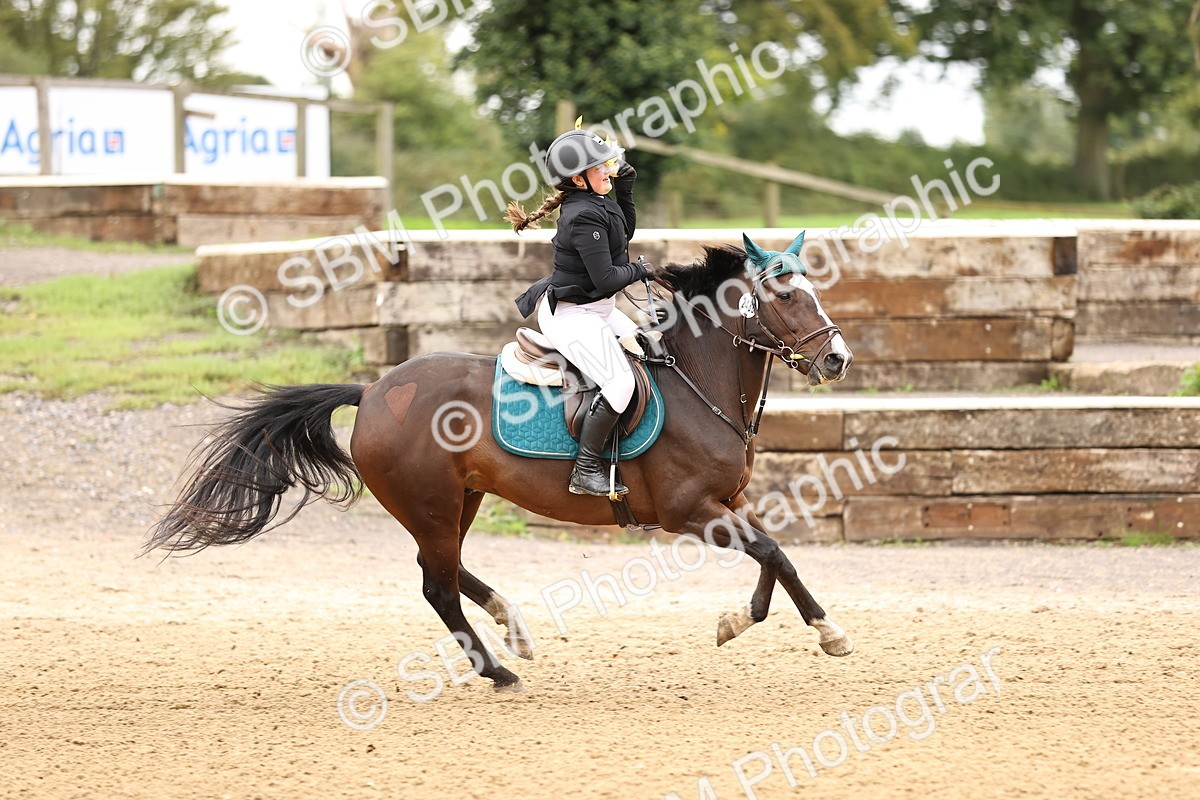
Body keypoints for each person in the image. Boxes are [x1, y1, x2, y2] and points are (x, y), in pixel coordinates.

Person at [508, 128, 650, 497]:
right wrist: (641, 270)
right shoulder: (582, 215)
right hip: (572, 316)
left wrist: (625, 190)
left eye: (607, 163)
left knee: (652, 345)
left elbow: (623, 233)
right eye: (600, 166)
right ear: (577, 179)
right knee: (620, 383)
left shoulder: (597, 202)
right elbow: (606, 279)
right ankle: (585, 470)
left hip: (598, 309)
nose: (608, 169)